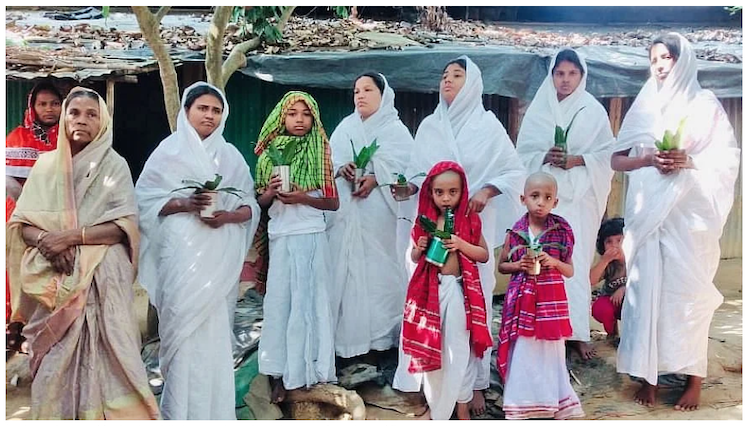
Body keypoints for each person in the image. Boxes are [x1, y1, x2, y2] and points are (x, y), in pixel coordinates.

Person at [6, 87, 159, 420]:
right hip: (55, 276)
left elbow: (123, 226)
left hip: (103, 274)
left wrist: (69, 238)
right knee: (52, 366)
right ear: (64, 117)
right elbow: (22, 223)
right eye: (74, 113)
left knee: (110, 355)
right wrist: (48, 239)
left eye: (92, 114)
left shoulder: (114, 166)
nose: (82, 120)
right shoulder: (46, 166)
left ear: (102, 122)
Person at [612, 33, 739, 411]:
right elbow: (617, 160)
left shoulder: (706, 104)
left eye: (666, 57)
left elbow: (726, 160)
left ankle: (693, 380)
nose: (660, 65)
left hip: (690, 217)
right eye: (653, 60)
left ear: (683, 60)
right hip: (649, 210)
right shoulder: (645, 103)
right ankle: (648, 378)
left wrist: (689, 162)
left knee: (687, 296)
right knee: (646, 292)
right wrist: (649, 161)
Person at [393, 55, 525, 416]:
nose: (447, 80)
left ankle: (472, 386)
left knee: (472, 310)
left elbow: (514, 171)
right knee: (427, 306)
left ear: (473, 84)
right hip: (430, 228)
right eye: (444, 75)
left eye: (457, 75)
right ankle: (429, 383)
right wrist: (408, 190)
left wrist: (487, 191)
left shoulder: (489, 126)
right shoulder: (430, 127)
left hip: (473, 226)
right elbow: (417, 174)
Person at [136, 82, 260, 420]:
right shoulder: (167, 152)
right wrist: (183, 203)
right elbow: (144, 203)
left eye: (216, 110)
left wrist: (228, 216)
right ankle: (178, 414)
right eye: (202, 108)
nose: (209, 115)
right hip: (180, 257)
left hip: (216, 259)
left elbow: (250, 204)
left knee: (214, 333)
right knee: (180, 333)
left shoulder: (230, 156)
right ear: (187, 111)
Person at [516, 48, 615, 361]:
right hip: (545, 199)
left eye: (572, 74)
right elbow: (521, 154)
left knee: (575, 259)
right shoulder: (539, 110)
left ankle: (577, 332)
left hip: (578, 199)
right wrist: (544, 156)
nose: (565, 80)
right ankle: (541, 326)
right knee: (543, 259)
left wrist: (578, 160)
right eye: (560, 73)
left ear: (581, 76)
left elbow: (607, 156)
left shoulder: (593, 110)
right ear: (552, 75)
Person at [254, 91, 339, 404]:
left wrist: (304, 198)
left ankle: (311, 372)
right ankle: (280, 373)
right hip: (281, 236)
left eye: (306, 114)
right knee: (281, 303)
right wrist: (271, 192)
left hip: (312, 236)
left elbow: (333, 203)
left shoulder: (321, 150)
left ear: (313, 118)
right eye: (292, 114)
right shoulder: (268, 155)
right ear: (281, 118)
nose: (300, 120)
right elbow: (260, 202)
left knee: (311, 303)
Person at [326, 72, 413, 360]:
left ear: (383, 94)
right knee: (347, 271)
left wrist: (377, 177)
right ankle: (347, 342)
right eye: (356, 91)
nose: (360, 95)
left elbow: (407, 169)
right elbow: (331, 161)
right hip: (347, 214)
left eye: (367, 90)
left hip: (379, 217)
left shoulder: (396, 131)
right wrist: (343, 169)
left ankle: (382, 340)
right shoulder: (346, 127)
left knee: (380, 273)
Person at [400, 161, 491, 420]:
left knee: (459, 348)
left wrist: (461, 244)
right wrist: (419, 247)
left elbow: (483, 255)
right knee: (433, 348)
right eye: (439, 192)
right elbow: (417, 259)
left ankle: (461, 401)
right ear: (430, 192)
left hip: (460, 293)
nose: (446, 198)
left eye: (453, 191)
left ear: (463, 191)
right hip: (431, 295)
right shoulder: (425, 220)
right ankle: (436, 405)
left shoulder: (468, 220)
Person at [496, 172, 584, 420]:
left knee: (550, 351)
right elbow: (502, 266)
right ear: (523, 199)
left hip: (550, 304)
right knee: (524, 349)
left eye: (547, 197)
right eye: (535, 196)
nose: (540, 202)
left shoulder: (561, 231)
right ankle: (520, 404)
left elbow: (569, 270)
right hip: (522, 304)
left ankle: (551, 402)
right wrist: (520, 265)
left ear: (555, 202)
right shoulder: (515, 232)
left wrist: (553, 261)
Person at [6, 81, 63, 201]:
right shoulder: (18, 137)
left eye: (55, 104)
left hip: (61, 208)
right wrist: (29, 206)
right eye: (42, 104)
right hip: (20, 207)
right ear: (32, 107)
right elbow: (7, 179)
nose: (49, 109)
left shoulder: (69, 137)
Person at [589, 218, 626, 339]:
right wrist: (604, 260)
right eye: (609, 242)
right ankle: (612, 334)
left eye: (619, 240)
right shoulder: (609, 264)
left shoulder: (635, 259)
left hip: (630, 302)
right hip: (612, 302)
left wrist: (624, 289)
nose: (615, 245)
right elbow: (591, 280)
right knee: (600, 308)